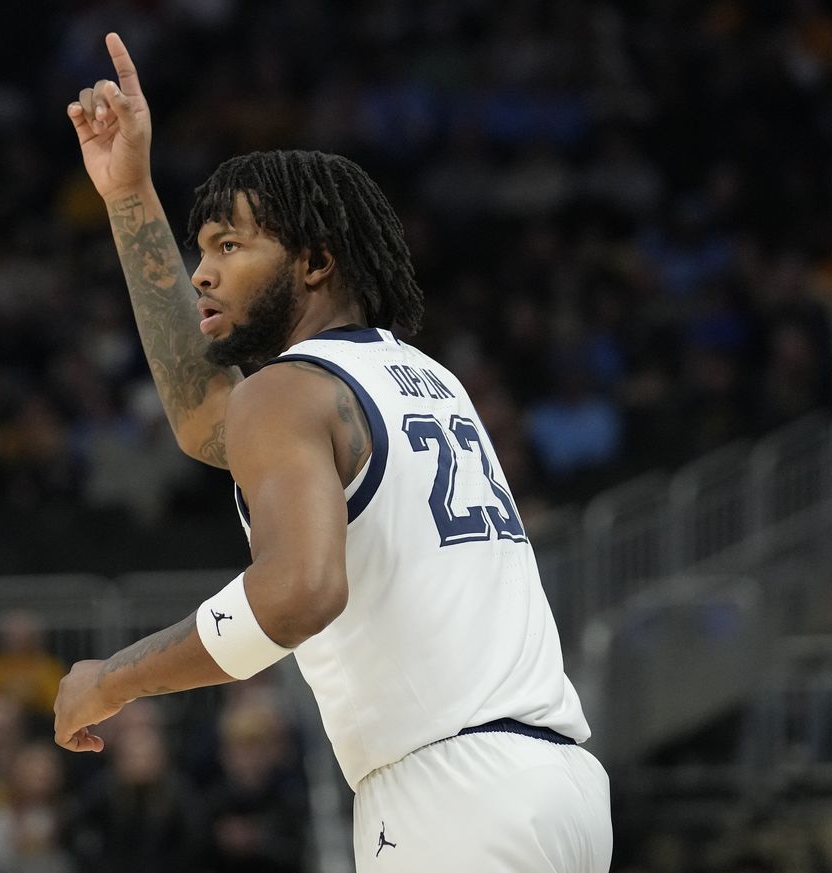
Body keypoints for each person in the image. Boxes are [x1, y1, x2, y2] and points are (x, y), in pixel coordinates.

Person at [52, 33, 612, 873]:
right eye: (200, 250)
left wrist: (113, 679)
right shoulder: (425, 378)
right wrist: (129, 192)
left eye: (229, 247)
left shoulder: (288, 390)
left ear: (314, 262)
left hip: (446, 792)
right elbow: (205, 414)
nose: (203, 273)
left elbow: (300, 591)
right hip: (560, 786)